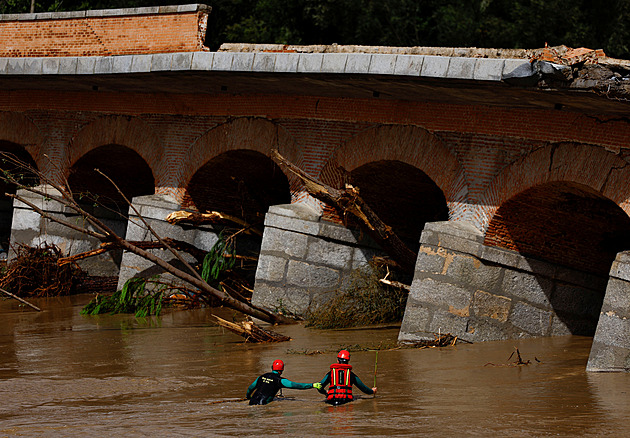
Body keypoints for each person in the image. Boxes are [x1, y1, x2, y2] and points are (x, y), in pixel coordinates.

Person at [246, 359, 322, 405]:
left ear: (272, 368)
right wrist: (313, 385)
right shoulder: (280, 381)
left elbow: (250, 388)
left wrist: (248, 397)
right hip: (263, 404)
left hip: (252, 402)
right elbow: (297, 385)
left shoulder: (261, 377)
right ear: (282, 370)